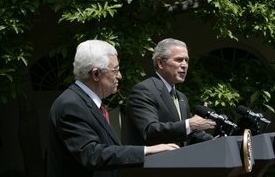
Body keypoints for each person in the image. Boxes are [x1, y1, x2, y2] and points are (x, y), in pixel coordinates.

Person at [47, 40, 179, 177]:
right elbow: (93, 155)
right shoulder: (71, 105)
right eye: (115, 70)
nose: (119, 76)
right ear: (96, 74)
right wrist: (146, 151)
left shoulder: (89, 102)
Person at [124, 38, 216, 146]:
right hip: (154, 161)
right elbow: (150, 131)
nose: (184, 65)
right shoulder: (144, 90)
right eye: (179, 60)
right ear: (160, 63)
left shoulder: (182, 97)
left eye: (186, 60)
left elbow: (186, 134)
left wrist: (215, 141)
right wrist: (190, 124)